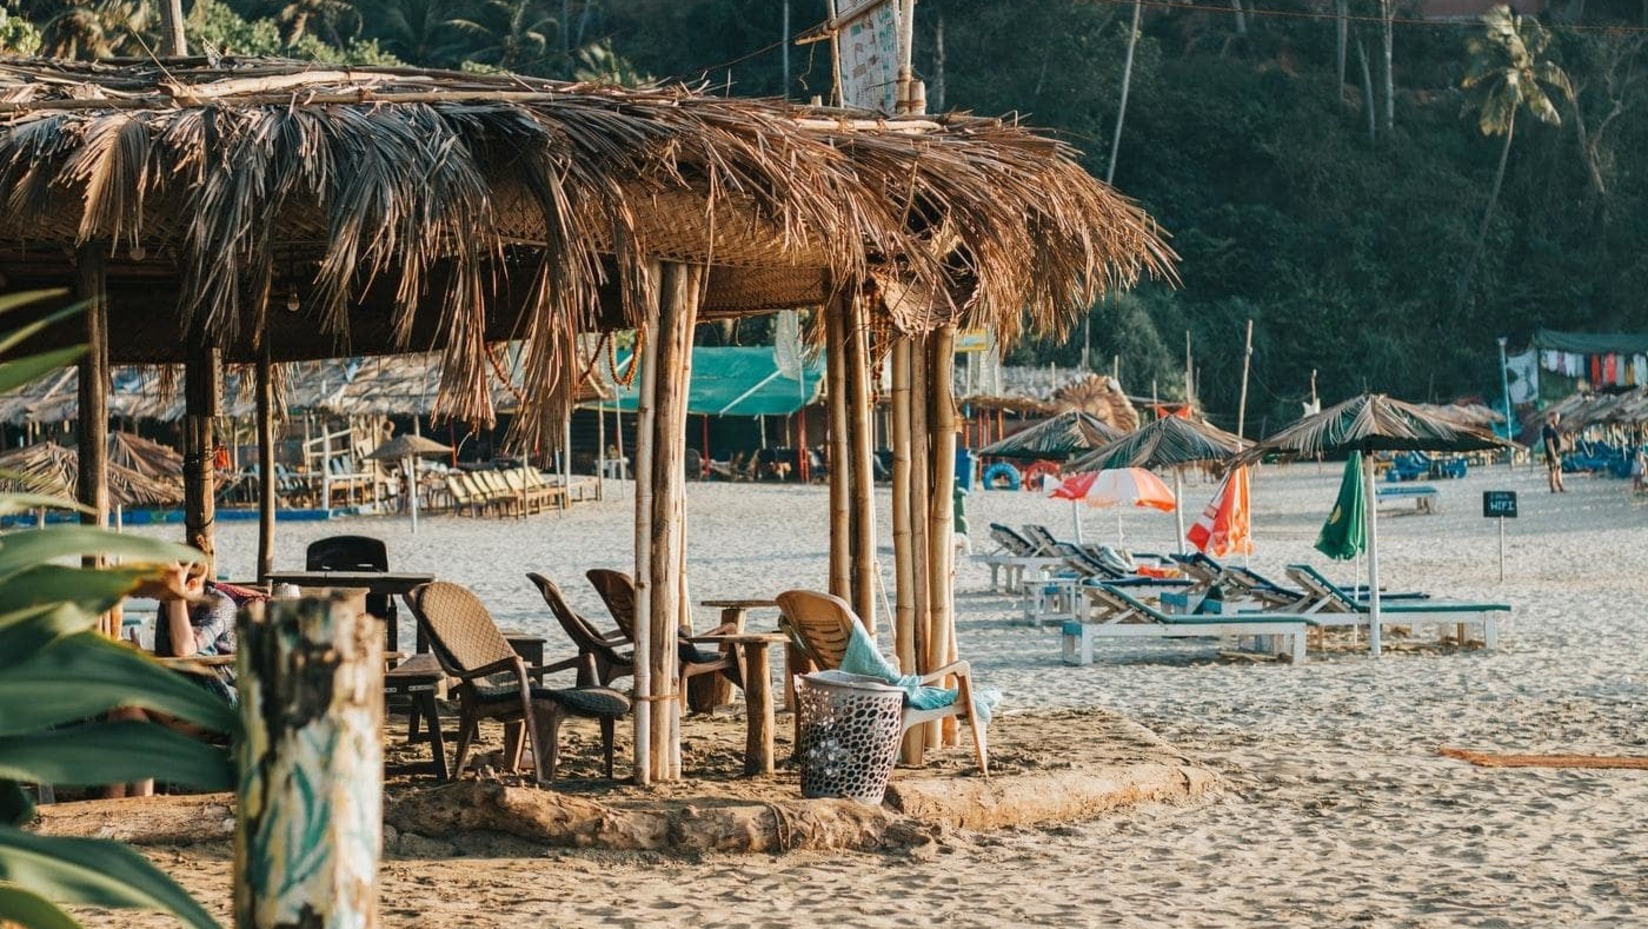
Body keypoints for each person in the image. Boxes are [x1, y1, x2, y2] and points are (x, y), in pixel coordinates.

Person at [1541, 412, 1567, 494]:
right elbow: (1550, 442)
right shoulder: (1547, 428)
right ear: (1551, 417)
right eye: (1556, 418)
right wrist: (1553, 455)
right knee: (1552, 469)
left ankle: (1560, 486)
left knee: (1558, 469)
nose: (1557, 421)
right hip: (1552, 453)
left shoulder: (1551, 428)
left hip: (1556, 452)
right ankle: (1553, 488)